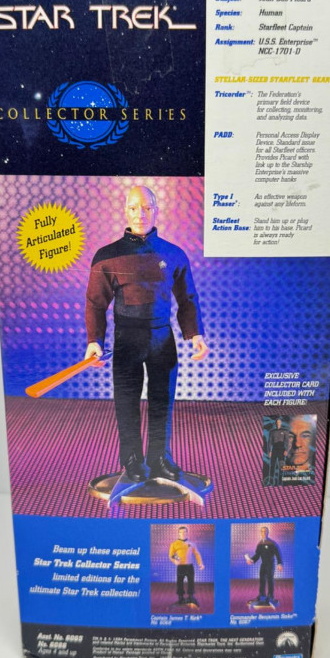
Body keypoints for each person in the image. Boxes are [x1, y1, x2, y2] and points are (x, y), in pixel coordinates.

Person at [84, 185, 209, 483]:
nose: (140, 213)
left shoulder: (173, 254)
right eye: (133, 207)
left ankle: (159, 457)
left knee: (162, 400)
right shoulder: (107, 256)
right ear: (125, 210)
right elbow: (95, 303)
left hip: (162, 339)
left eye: (147, 207)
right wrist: (94, 341)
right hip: (127, 340)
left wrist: (195, 335)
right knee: (126, 402)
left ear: (155, 210)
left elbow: (187, 298)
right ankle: (131, 459)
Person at [245, 526, 284, 604]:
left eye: (265, 531)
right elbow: (257, 555)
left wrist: (279, 563)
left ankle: (270, 596)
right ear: (260, 533)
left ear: (268, 532)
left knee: (270, 580)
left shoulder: (272, 543)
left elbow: (277, 554)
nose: (264, 533)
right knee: (262, 580)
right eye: (262, 531)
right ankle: (262, 595)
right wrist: (251, 560)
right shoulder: (260, 544)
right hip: (263, 565)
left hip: (270, 564)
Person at [168, 526, 204, 605]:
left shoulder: (192, 544)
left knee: (191, 582)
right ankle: (180, 598)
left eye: (185, 532)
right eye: (181, 532)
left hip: (190, 566)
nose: (183, 533)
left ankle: (191, 597)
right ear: (179, 533)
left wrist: (200, 563)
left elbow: (197, 554)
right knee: (180, 582)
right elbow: (171, 555)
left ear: (187, 533)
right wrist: (175, 560)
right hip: (181, 566)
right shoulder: (174, 544)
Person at [266, 418, 290, 484]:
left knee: (281, 466)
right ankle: (271, 481)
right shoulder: (272, 431)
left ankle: (280, 482)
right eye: (277, 422)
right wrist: (269, 451)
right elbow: (269, 442)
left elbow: (287, 441)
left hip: (282, 450)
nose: (278, 423)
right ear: (275, 423)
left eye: (279, 422)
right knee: (272, 466)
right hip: (274, 450)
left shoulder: (285, 431)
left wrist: (286, 450)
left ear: (281, 423)